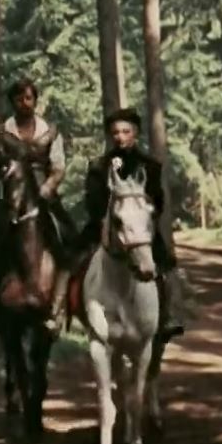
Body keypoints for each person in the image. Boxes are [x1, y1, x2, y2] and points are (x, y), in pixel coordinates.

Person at [0, 78, 77, 334]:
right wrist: (1, 185)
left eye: (28, 98)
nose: (24, 103)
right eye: (19, 99)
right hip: (9, 196)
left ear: (35, 101)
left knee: (68, 238)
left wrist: (48, 187)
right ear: (12, 102)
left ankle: (62, 303)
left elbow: (58, 167)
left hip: (44, 193)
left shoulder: (50, 132)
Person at [77, 107, 187, 341]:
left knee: (164, 263)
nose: (120, 137)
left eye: (125, 131)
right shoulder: (98, 166)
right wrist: (107, 217)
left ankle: (168, 314)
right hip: (106, 226)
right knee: (75, 258)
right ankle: (68, 311)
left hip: (139, 229)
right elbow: (92, 200)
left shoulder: (150, 165)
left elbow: (158, 200)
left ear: (135, 132)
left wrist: (141, 215)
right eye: (115, 132)